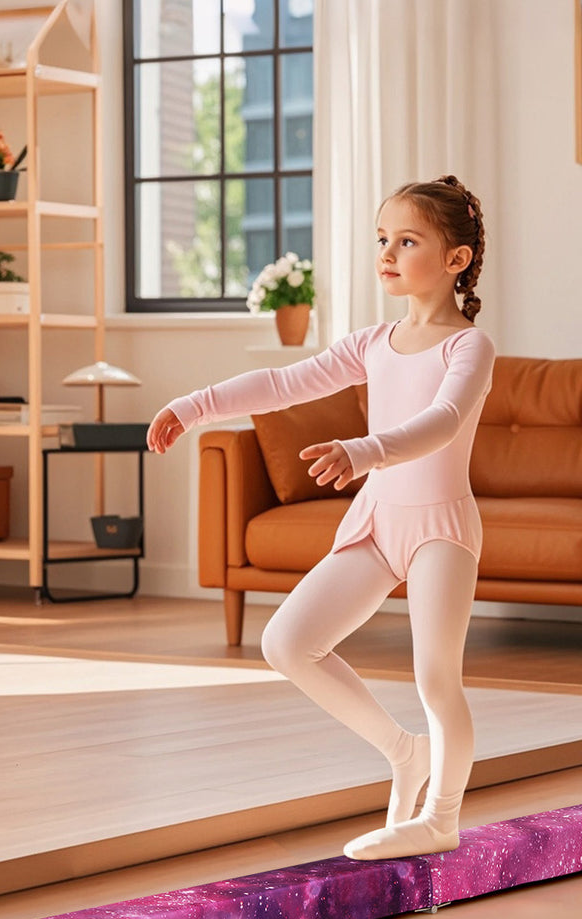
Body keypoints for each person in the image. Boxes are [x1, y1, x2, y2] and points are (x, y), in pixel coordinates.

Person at [147, 175, 495, 861]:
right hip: (377, 521)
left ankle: (442, 817)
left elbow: (442, 422)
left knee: (435, 677)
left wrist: (365, 450)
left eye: (407, 240)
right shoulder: (373, 342)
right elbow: (281, 384)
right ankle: (404, 751)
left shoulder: (468, 348)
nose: (387, 252)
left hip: (439, 531)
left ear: (456, 260)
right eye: (382, 239)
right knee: (287, 642)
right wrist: (193, 405)